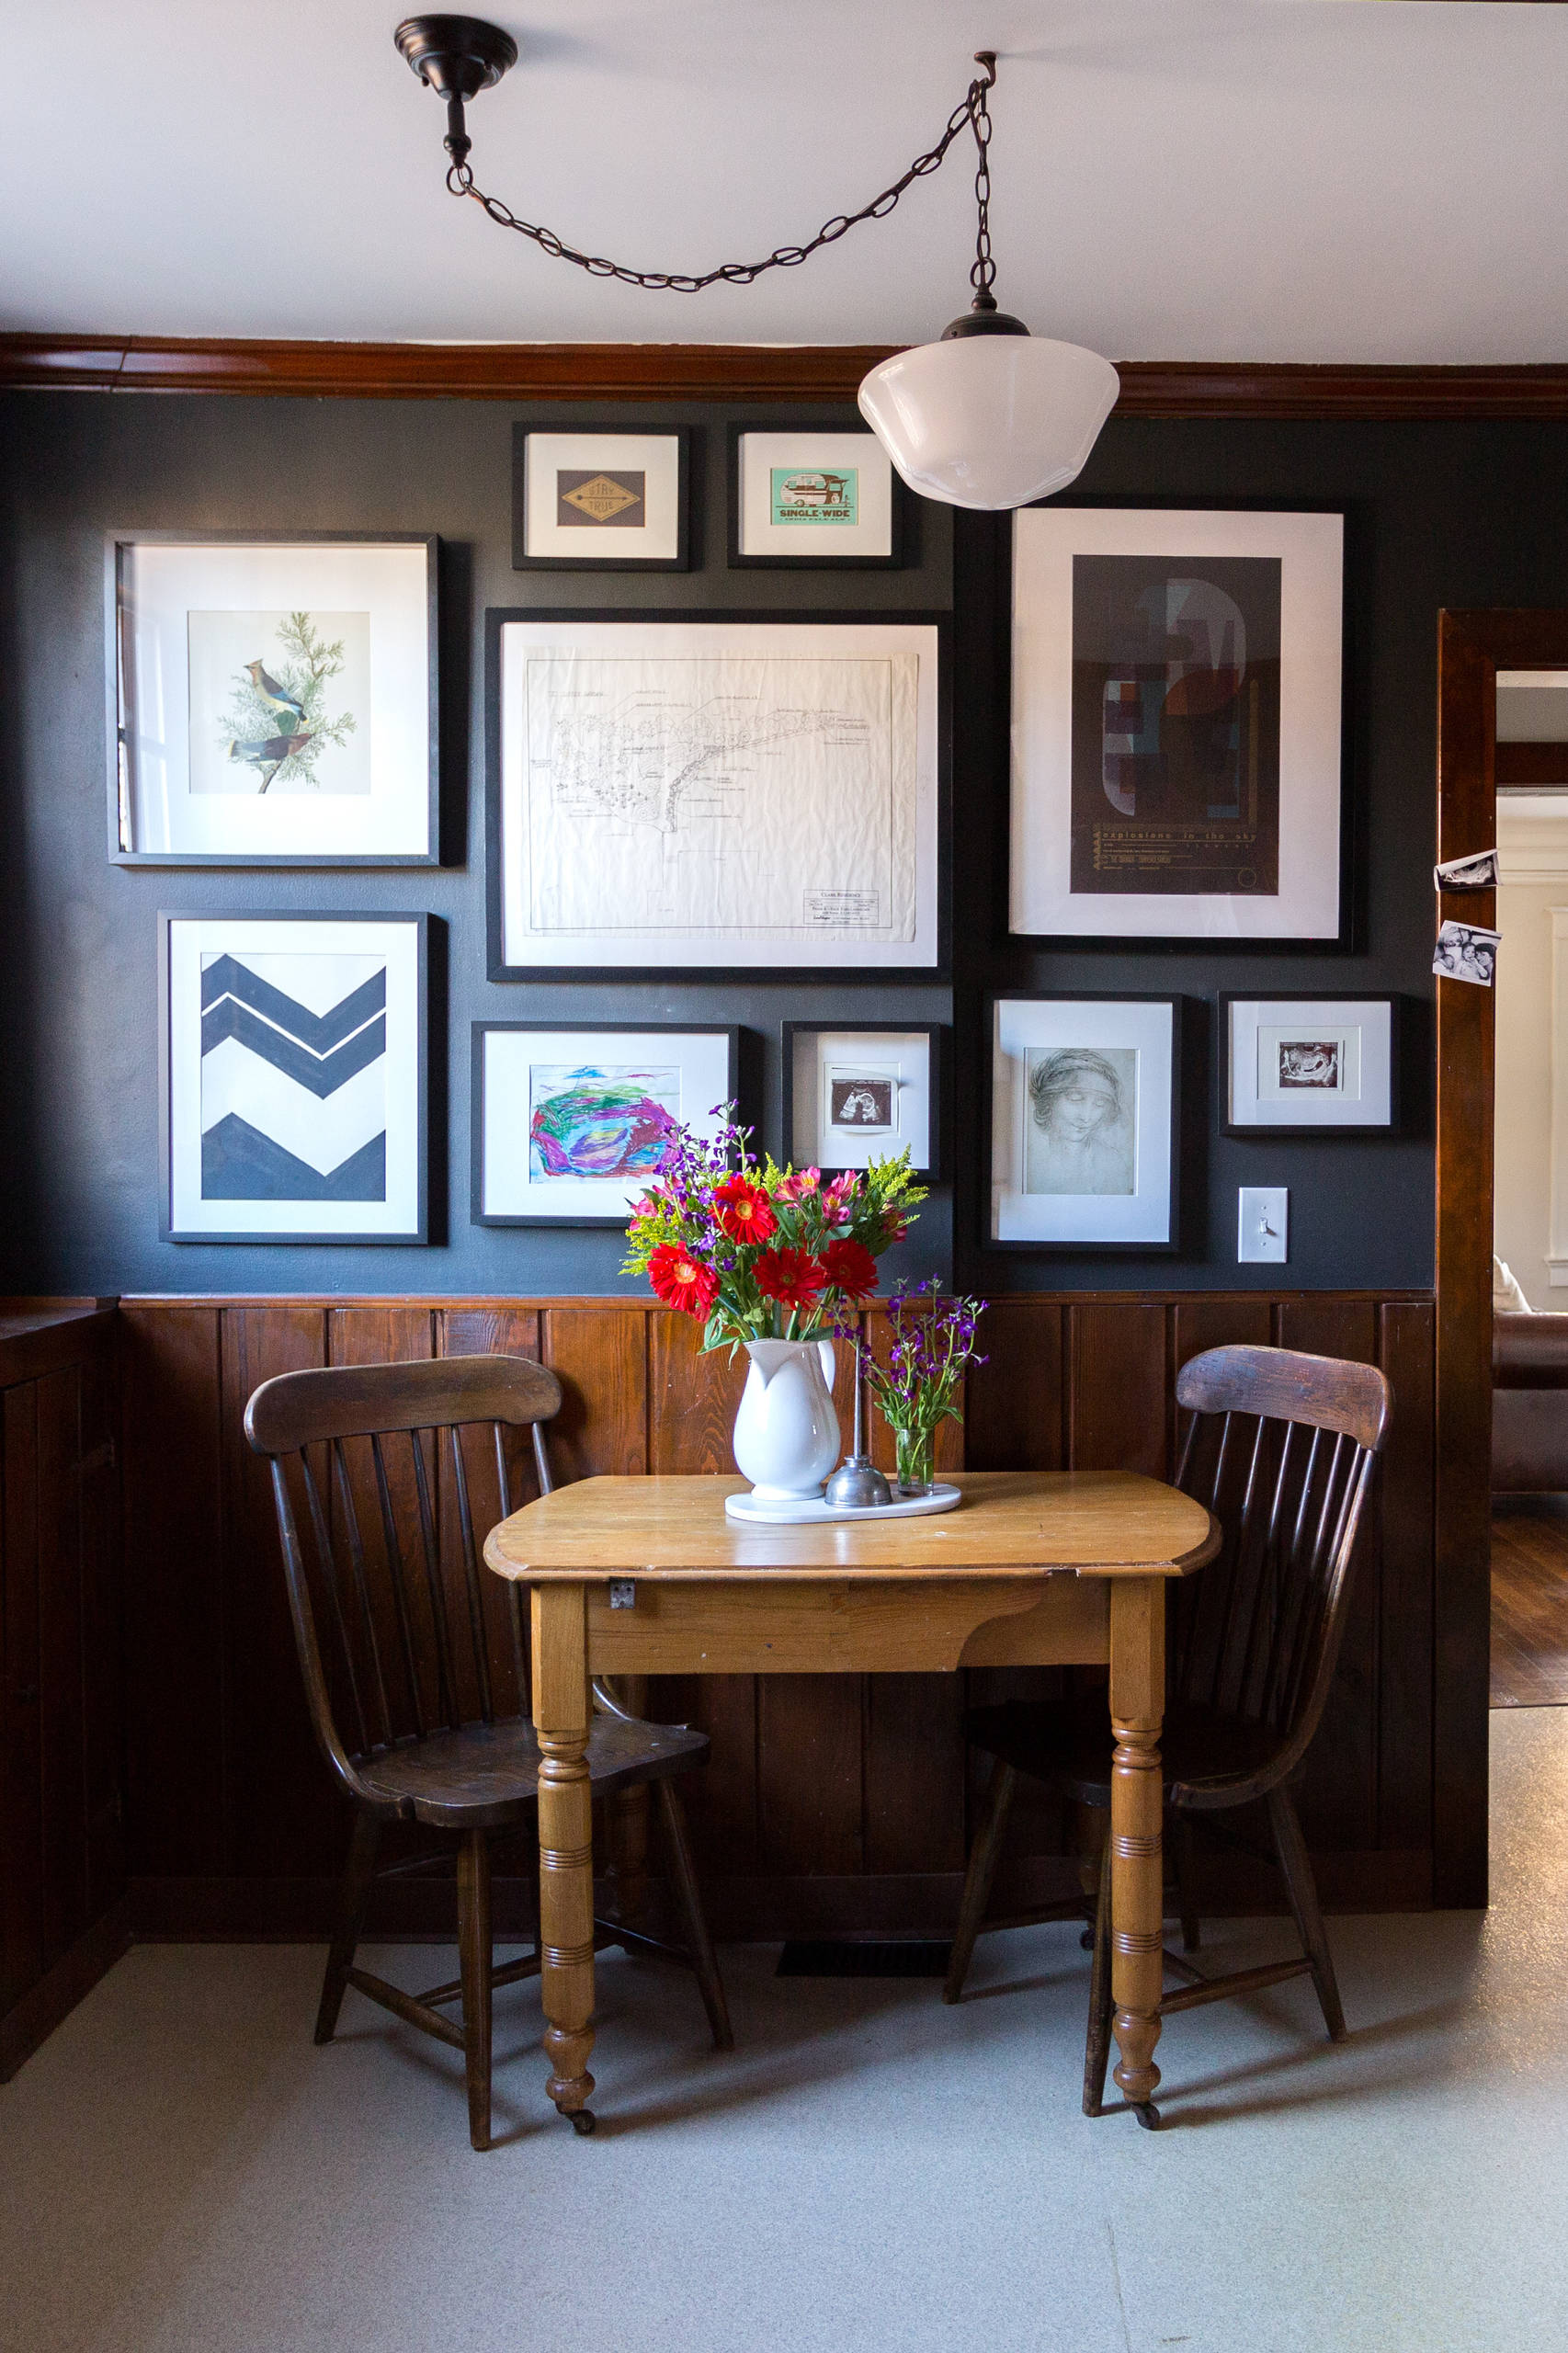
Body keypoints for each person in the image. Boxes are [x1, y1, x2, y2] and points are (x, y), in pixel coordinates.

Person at [1027, 1048, 1134, 1195]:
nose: (1086, 1117)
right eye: (1075, 1098)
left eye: (1099, 1104)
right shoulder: (1029, 1160)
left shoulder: (1113, 1164)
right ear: (1049, 1101)